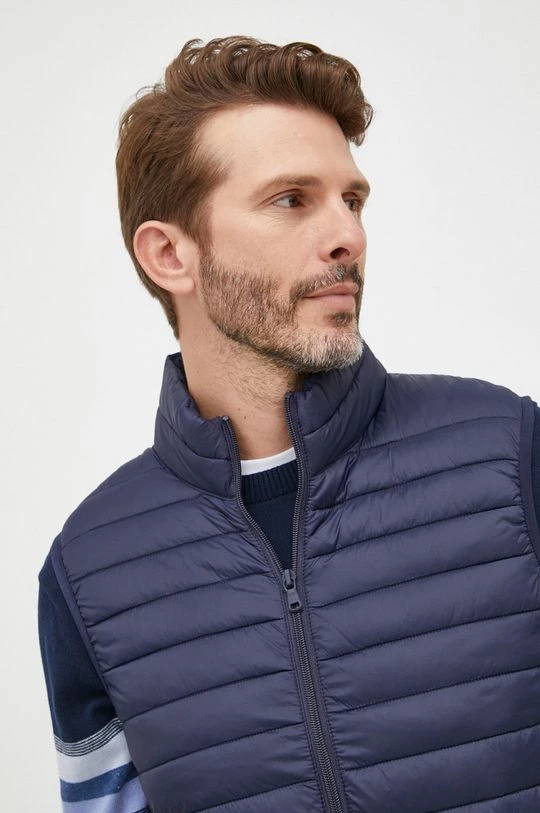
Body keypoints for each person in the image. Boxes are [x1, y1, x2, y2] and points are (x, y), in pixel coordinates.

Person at [38, 34, 540, 813]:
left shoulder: (509, 457)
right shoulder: (89, 571)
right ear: (169, 254)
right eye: (291, 200)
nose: (348, 236)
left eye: (352, 200)